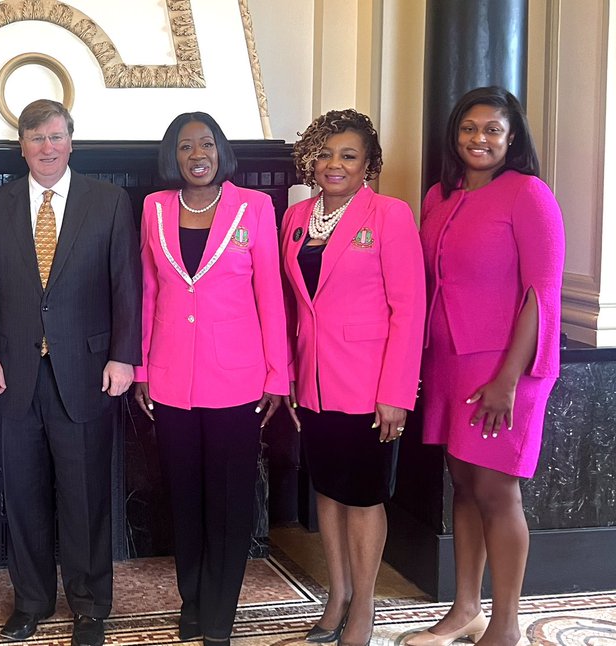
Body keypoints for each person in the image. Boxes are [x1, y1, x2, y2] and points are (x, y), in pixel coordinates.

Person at [0, 99, 141, 646]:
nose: (47, 147)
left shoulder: (109, 201)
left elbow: (126, 286)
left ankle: (90, 607)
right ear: (21, 145)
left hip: (89, 372)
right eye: (36, 137)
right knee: (23, 495)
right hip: (14, 372)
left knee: (86, 496)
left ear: (72, 140)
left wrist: (124, 356)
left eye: (56, 136)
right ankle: (32, 602)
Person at [406, 87, 564, 646]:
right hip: (449, 362)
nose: (480, 139)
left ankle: (505, 623)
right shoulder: (438, 198)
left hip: (505, 367)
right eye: (469, 128)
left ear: (512, 136)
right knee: (464, 485)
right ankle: (466, 609)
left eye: (493, 129)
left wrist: (507, 381)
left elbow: (541, 295)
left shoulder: (529, 194)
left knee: (497, 491)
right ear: (455, 135)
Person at [130, 112, 289, 645]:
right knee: (184, 497)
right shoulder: (155, 208)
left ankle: (221, 610)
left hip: (238, 379)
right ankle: (192, 601)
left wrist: (277, 376)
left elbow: (270, 293)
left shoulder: (255, 206)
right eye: (183, 147)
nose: (196, 154)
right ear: (171, 157)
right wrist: (142, 369)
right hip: (171, 379)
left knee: (229, 501)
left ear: (220, 150)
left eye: (205, 144)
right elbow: (150, 293)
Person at [279, 110, 424, 646]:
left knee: (363, 497)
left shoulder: (390, 215)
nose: (333, 164)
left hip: (370, 386)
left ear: (369, 164)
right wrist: (289, 376)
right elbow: (295, 306)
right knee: (328, 490)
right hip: (312, 382)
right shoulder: (295, 218)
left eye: (348, 155)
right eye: (325, 153)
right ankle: (336, 594)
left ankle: (363, 605)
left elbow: (409, 310)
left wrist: (396, 394)